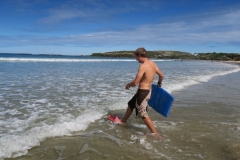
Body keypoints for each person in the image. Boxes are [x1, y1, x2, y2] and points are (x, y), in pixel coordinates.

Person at [108, 47, 164, 139]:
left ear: (139, 55)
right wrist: (159, 83)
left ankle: (156, 135)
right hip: (147, 91)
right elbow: (161, 75)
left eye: (136, 57)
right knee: (131, 104)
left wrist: (128, 85)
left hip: (143, 92)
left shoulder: (143, 66)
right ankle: (123, 122)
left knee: (143, 114)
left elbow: (135, 82)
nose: (136, 59)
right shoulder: (153, 64)